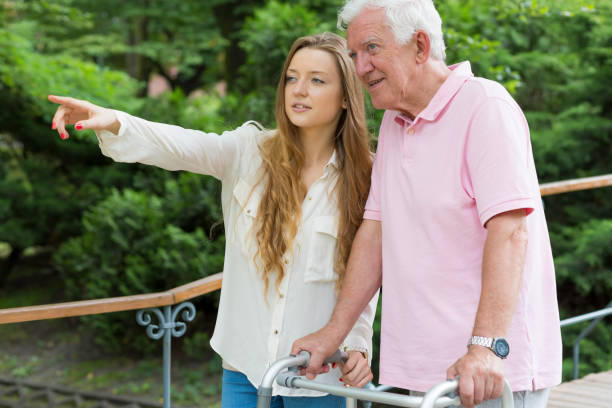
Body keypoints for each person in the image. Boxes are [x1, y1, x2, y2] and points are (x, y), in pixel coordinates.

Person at [49, 32, 379, 408]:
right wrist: (114, 122)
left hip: (319, 378)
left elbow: (367, 270)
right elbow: (180, 144)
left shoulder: (366, 177)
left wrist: (357, 345)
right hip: (244, 367)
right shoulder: (249, 152)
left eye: (317, 80)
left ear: (345, 98)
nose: (299, 90)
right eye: (292, 77)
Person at [291, 2, 562, 408]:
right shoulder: (395, 122)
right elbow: (376, 232)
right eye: (354, 54)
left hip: (488, 373)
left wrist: (486, 347)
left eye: (371, 49)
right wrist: (334, 333)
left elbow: (510, 231)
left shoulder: (485, 107)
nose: (360, 67)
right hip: (431, 371)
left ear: (419, 46)